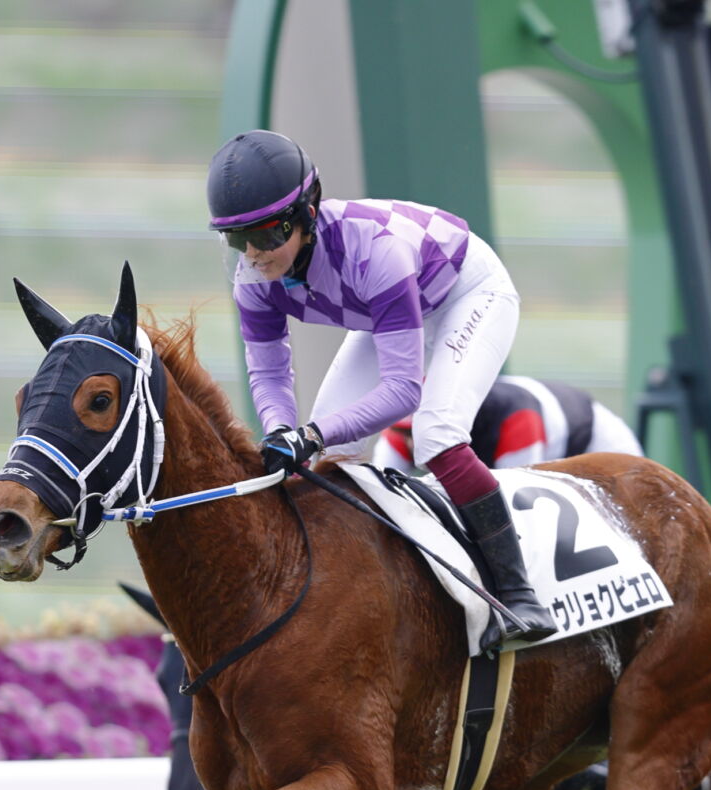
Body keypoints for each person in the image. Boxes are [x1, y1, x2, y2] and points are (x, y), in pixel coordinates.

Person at [206, 129, 556, 642]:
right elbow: (269, 371)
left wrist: (311, 432)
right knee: (323, 457)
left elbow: (402, 391)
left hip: (467, 292)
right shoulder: (253, 279)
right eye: (239, 239)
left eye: (267, 235)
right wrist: (283, 430)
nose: (254, 255)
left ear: (305, 215)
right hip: (387, 312)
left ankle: (519, 593)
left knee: (437, 434)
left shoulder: (374, 253)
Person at [373, 374, 642, 475]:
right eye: (405, 433)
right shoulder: (400, 429)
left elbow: (518, 503)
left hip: (593, 436)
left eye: (419, 431)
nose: (412, 443)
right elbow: (378, 491)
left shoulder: (515, 420)